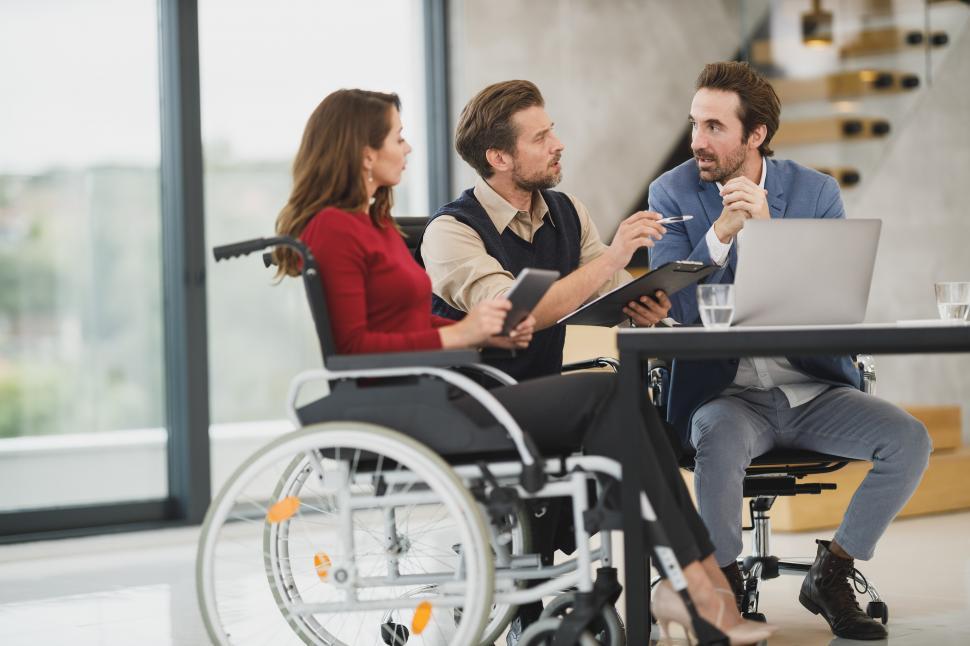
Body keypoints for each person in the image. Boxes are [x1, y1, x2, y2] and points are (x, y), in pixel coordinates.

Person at [273, 88, 774, 645]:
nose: (408, 146)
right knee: (606, 395)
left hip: (464, 395)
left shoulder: (376, 225)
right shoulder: (343, 229)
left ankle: (692, 584)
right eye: (396, 136)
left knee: (619, 396)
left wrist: (638, 303)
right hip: (431, 402)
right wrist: (469, 330)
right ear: (364, 153)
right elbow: (353, 350)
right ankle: (694, 586)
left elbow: (421, 322)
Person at [649, 61, 932, 641]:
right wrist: (722, 234)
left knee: (909, 439)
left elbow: (827, 304)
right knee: (717, 438)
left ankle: (834, 571)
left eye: (714, 127)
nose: (697, 141)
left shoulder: (815, 191)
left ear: (755, 136)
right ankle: (720, 586)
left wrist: (768, 230)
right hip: (725, 394)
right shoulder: (671, 191)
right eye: (693, 124)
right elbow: (674, 308)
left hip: (811, 387)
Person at [418, 80, 672, 382]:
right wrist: (612, 258)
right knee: (603, 388)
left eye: (551, 129)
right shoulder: (450, 231)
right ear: (499, 158)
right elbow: (512, 318)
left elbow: (615, 296)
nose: (558, 143)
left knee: (636, 394)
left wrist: (643, 313)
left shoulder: (569, 213)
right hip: (476, 401)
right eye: (541, 138)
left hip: (545, 392)